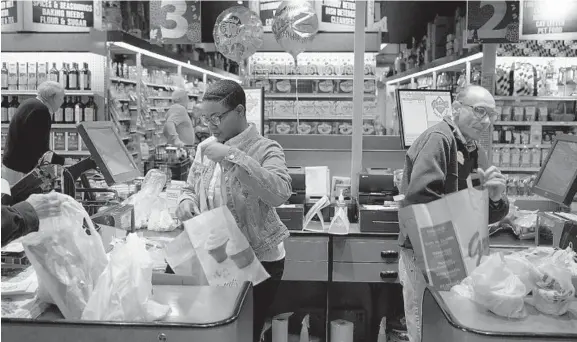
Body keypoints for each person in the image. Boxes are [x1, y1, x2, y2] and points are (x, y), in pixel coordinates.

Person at [175, 80, 291, 342]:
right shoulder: (204, 148)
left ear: (239, 111)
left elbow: (280, 192)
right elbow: (191, 187)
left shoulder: (266, 148)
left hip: (259, 259)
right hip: (219, 257)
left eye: (217, 117)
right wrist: (185, 202)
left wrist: (232, 155)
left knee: (244, 332)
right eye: (205, 118)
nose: (211, 125)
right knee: (221, 333)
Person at [398, 85, 509, 342]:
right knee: (424, 328)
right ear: (456, 109)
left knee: (445, 329)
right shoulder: (439, 139)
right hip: (426, 253)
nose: (487, 121)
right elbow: (421, 199)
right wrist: (469, 206)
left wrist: (494, 198)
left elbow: (485, 213)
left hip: (453, 251)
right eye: (480, 111)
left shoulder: (473, 149)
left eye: (492, 114)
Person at [2, 81, 65, 186]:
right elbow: (40, 149)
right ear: (52, 97)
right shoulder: (41, 111)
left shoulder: (31, 103)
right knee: (21, 201)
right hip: (20, 169)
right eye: (61, 97)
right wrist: (63, 162)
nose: (62, 101)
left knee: (12, 199)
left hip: (12, 164)